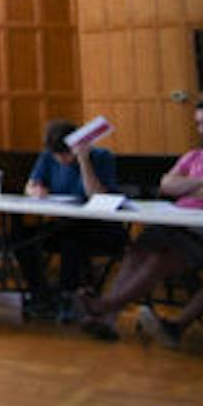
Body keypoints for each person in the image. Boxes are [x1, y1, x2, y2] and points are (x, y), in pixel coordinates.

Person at [81, 98, 203, 342]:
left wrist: (187, 187)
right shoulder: (194, 157)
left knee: (158, 259)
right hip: (175, 221)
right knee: (136, 252)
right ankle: (106, 320)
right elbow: (167, 185)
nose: (202, 129)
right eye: (198, 124)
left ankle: (103, 305)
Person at [15, 118, 128, 318]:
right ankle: (41, 294)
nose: (62, 160)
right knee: (22, 238)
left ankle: (66, 295)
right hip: (64, 223)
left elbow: (97, 195)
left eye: (66, 154)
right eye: (57, 155)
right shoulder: (48, 157)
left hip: (100, 228)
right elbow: (30, 185)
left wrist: (83, 160)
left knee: (72, 239)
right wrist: (35, 190)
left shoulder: (102, 157)